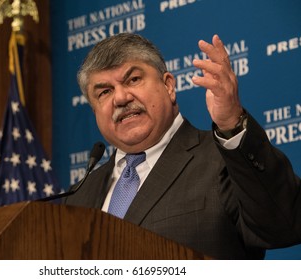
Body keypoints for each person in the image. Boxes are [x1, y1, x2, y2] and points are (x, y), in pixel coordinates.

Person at [64, 33, 301, 259]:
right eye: (104, 92)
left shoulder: (223, 159)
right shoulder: (77, 196)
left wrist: (231, 123)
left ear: (168, 86)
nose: (121, 98)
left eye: (133, 79)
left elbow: (283, 226)